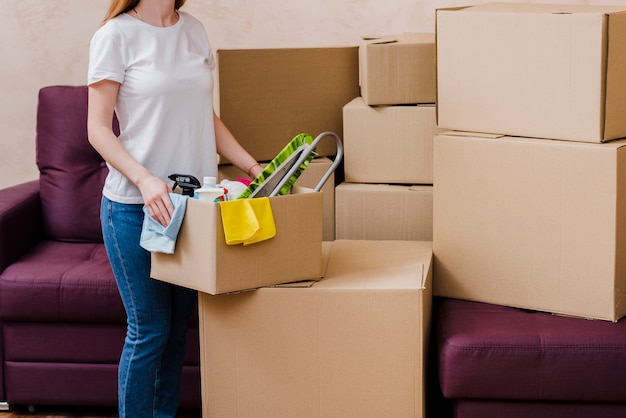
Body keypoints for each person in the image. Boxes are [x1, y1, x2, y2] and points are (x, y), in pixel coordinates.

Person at [86, 1, 263, 417]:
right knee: (149, 331)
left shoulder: (194, 29)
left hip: (194, 210)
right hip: (134, 207)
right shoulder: (114, 35)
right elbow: (96, 128)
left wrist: (252, 166)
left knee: (178, 335)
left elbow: (205, 115)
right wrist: (146, 179)